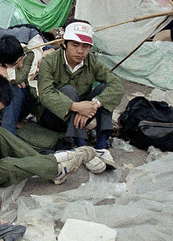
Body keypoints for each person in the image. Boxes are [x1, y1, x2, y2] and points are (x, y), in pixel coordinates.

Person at [37, 20, 123, 154]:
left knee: (104, 87)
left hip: (83, 114)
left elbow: (116, 84)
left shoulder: (91, 61)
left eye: (85, 46)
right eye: (75, 45)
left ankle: (102, 144)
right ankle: (81, 144)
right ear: (64, 43)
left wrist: (94, 104)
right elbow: (45, 94)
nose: (80, 51)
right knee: (69, 90)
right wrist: (76, 107)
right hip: (53, 116)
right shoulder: (49, 61)